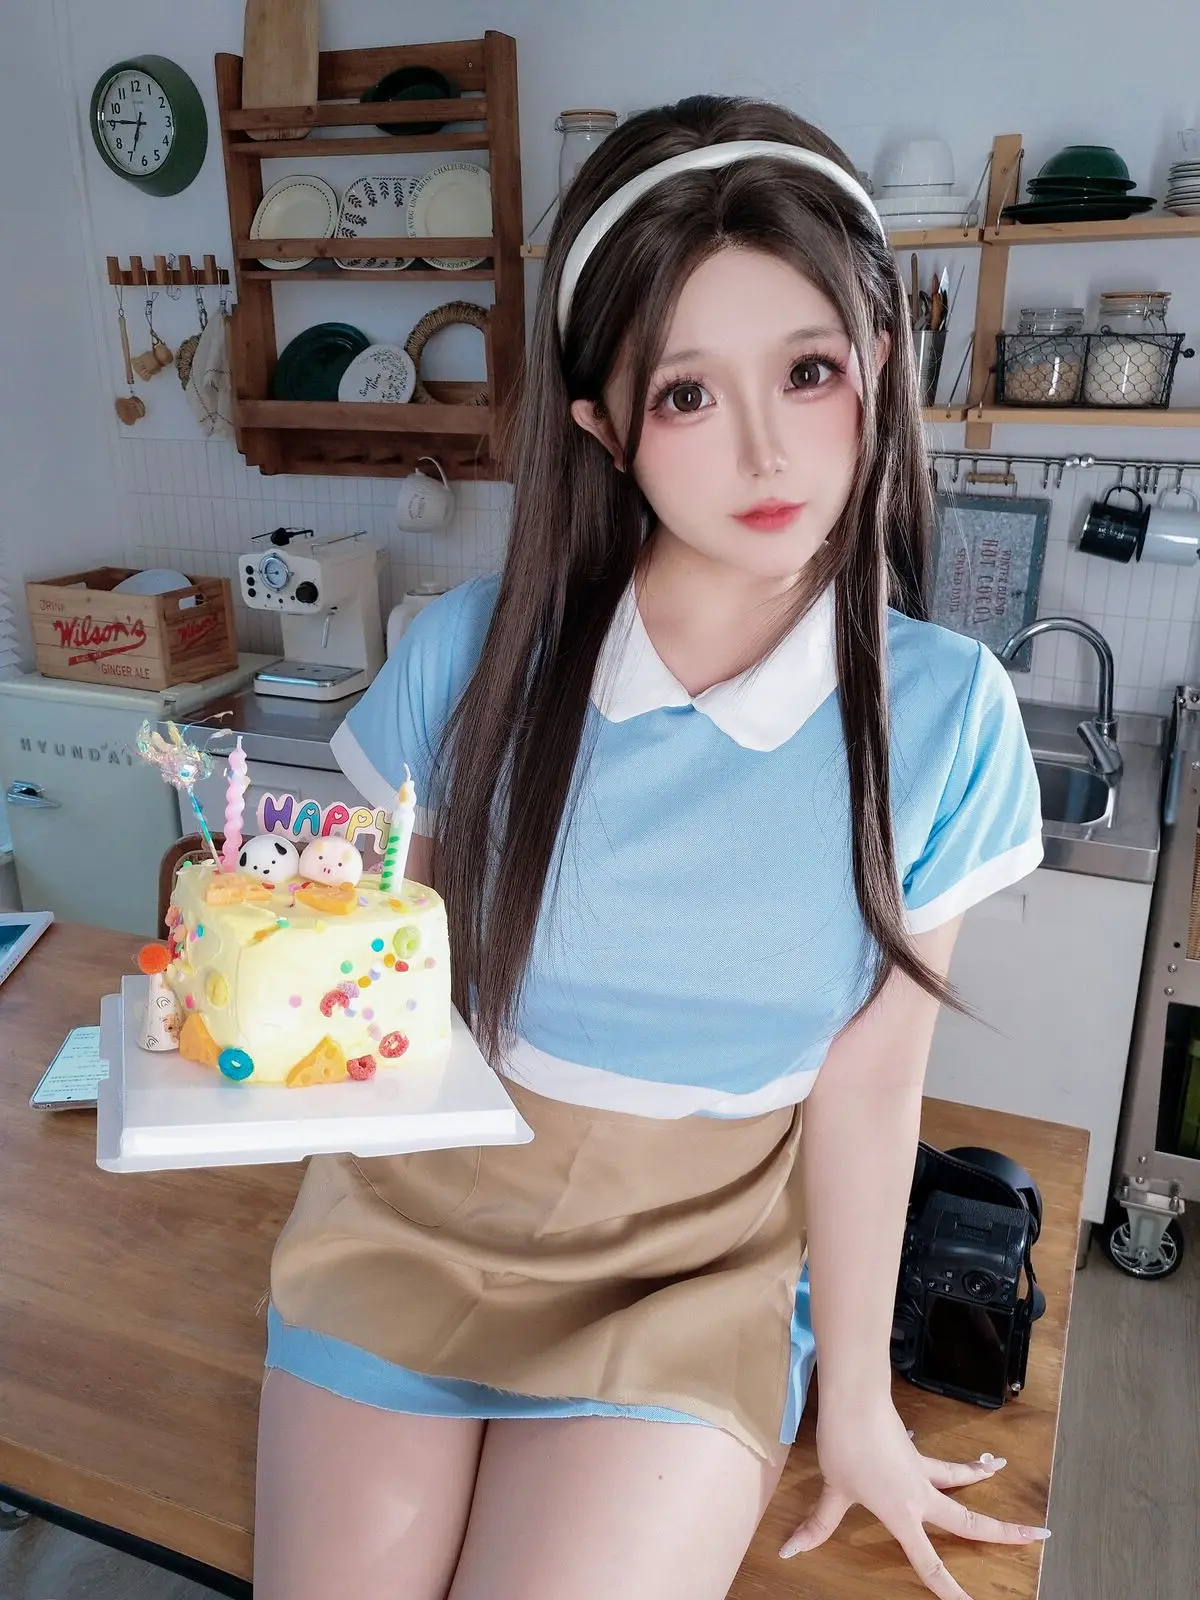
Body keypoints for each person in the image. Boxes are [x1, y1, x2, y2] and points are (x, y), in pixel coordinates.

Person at [253, 94, 1046, 1600]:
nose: (766, 448)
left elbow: (872, 1085)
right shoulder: (472, 655)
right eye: (687, 394)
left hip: (693, 1271)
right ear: (605, 426)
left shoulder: (944, 717)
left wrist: (860, 1404)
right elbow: (360, 973)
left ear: (878, 364)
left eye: (808, 370)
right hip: (406, 1225)